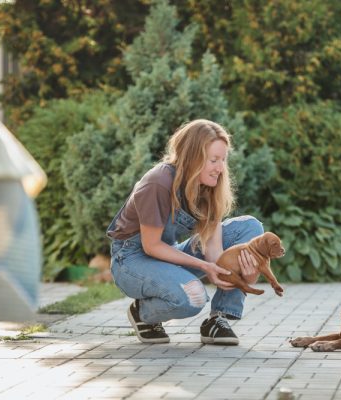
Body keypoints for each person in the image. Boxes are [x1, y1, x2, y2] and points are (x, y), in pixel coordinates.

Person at [107, 119, 263, 345]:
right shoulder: (158, 182)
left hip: (166, 254)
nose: (220, 168)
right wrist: (203, 266)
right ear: (192, 157)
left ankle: (218, 319)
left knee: (251, 228)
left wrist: (242, 276)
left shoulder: (209, 189)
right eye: (213, 160)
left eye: (223, 160)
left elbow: (214, 253)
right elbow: (151, 246)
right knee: (194, 296)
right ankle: (143, 312)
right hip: (131, 259)